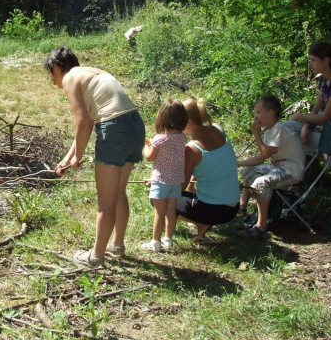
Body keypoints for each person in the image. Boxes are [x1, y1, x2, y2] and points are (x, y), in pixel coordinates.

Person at [45, 47, 145, 266]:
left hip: (115, 128)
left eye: (51, 75)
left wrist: (78, 158)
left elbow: (84, 123)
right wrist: (68, 157)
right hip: (135, 125)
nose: (53, 81)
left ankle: (96, 256)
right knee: (118, 193)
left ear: (56, 67)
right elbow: (89, 123)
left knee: (106, 202)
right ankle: (117, 247)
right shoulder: (91, 73)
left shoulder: (70, 77)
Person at [237, 96, 305, 239]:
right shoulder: (270, 130)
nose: (256, 117)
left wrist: (255, 133)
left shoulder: (279, 128)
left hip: (291, 170)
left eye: (258, 112)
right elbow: (260, 159)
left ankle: (261, 227)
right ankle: (241, 208)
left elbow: (266, 154)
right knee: (247, 170)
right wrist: (237, 163)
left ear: (270, 112)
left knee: (262, 183)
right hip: (278, 167)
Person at [177, 98, 239, 244]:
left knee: (158, 198)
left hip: (214, 211)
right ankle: (203, 222)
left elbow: (179, 187)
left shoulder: (191, 149)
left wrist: (158, 182)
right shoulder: (218, 129)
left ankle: (202, 224)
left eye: (178, 122)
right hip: (233, 206)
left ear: (189, 122)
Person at [141, 99, 188, 252]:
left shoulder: (160, 139)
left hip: (160, 181)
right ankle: (168, 239)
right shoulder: (182, 138)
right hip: (176, 181)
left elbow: (149, 157)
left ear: (162, 118)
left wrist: (145, 146)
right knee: (171, 212)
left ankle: (155, 242)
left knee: (159, 213)